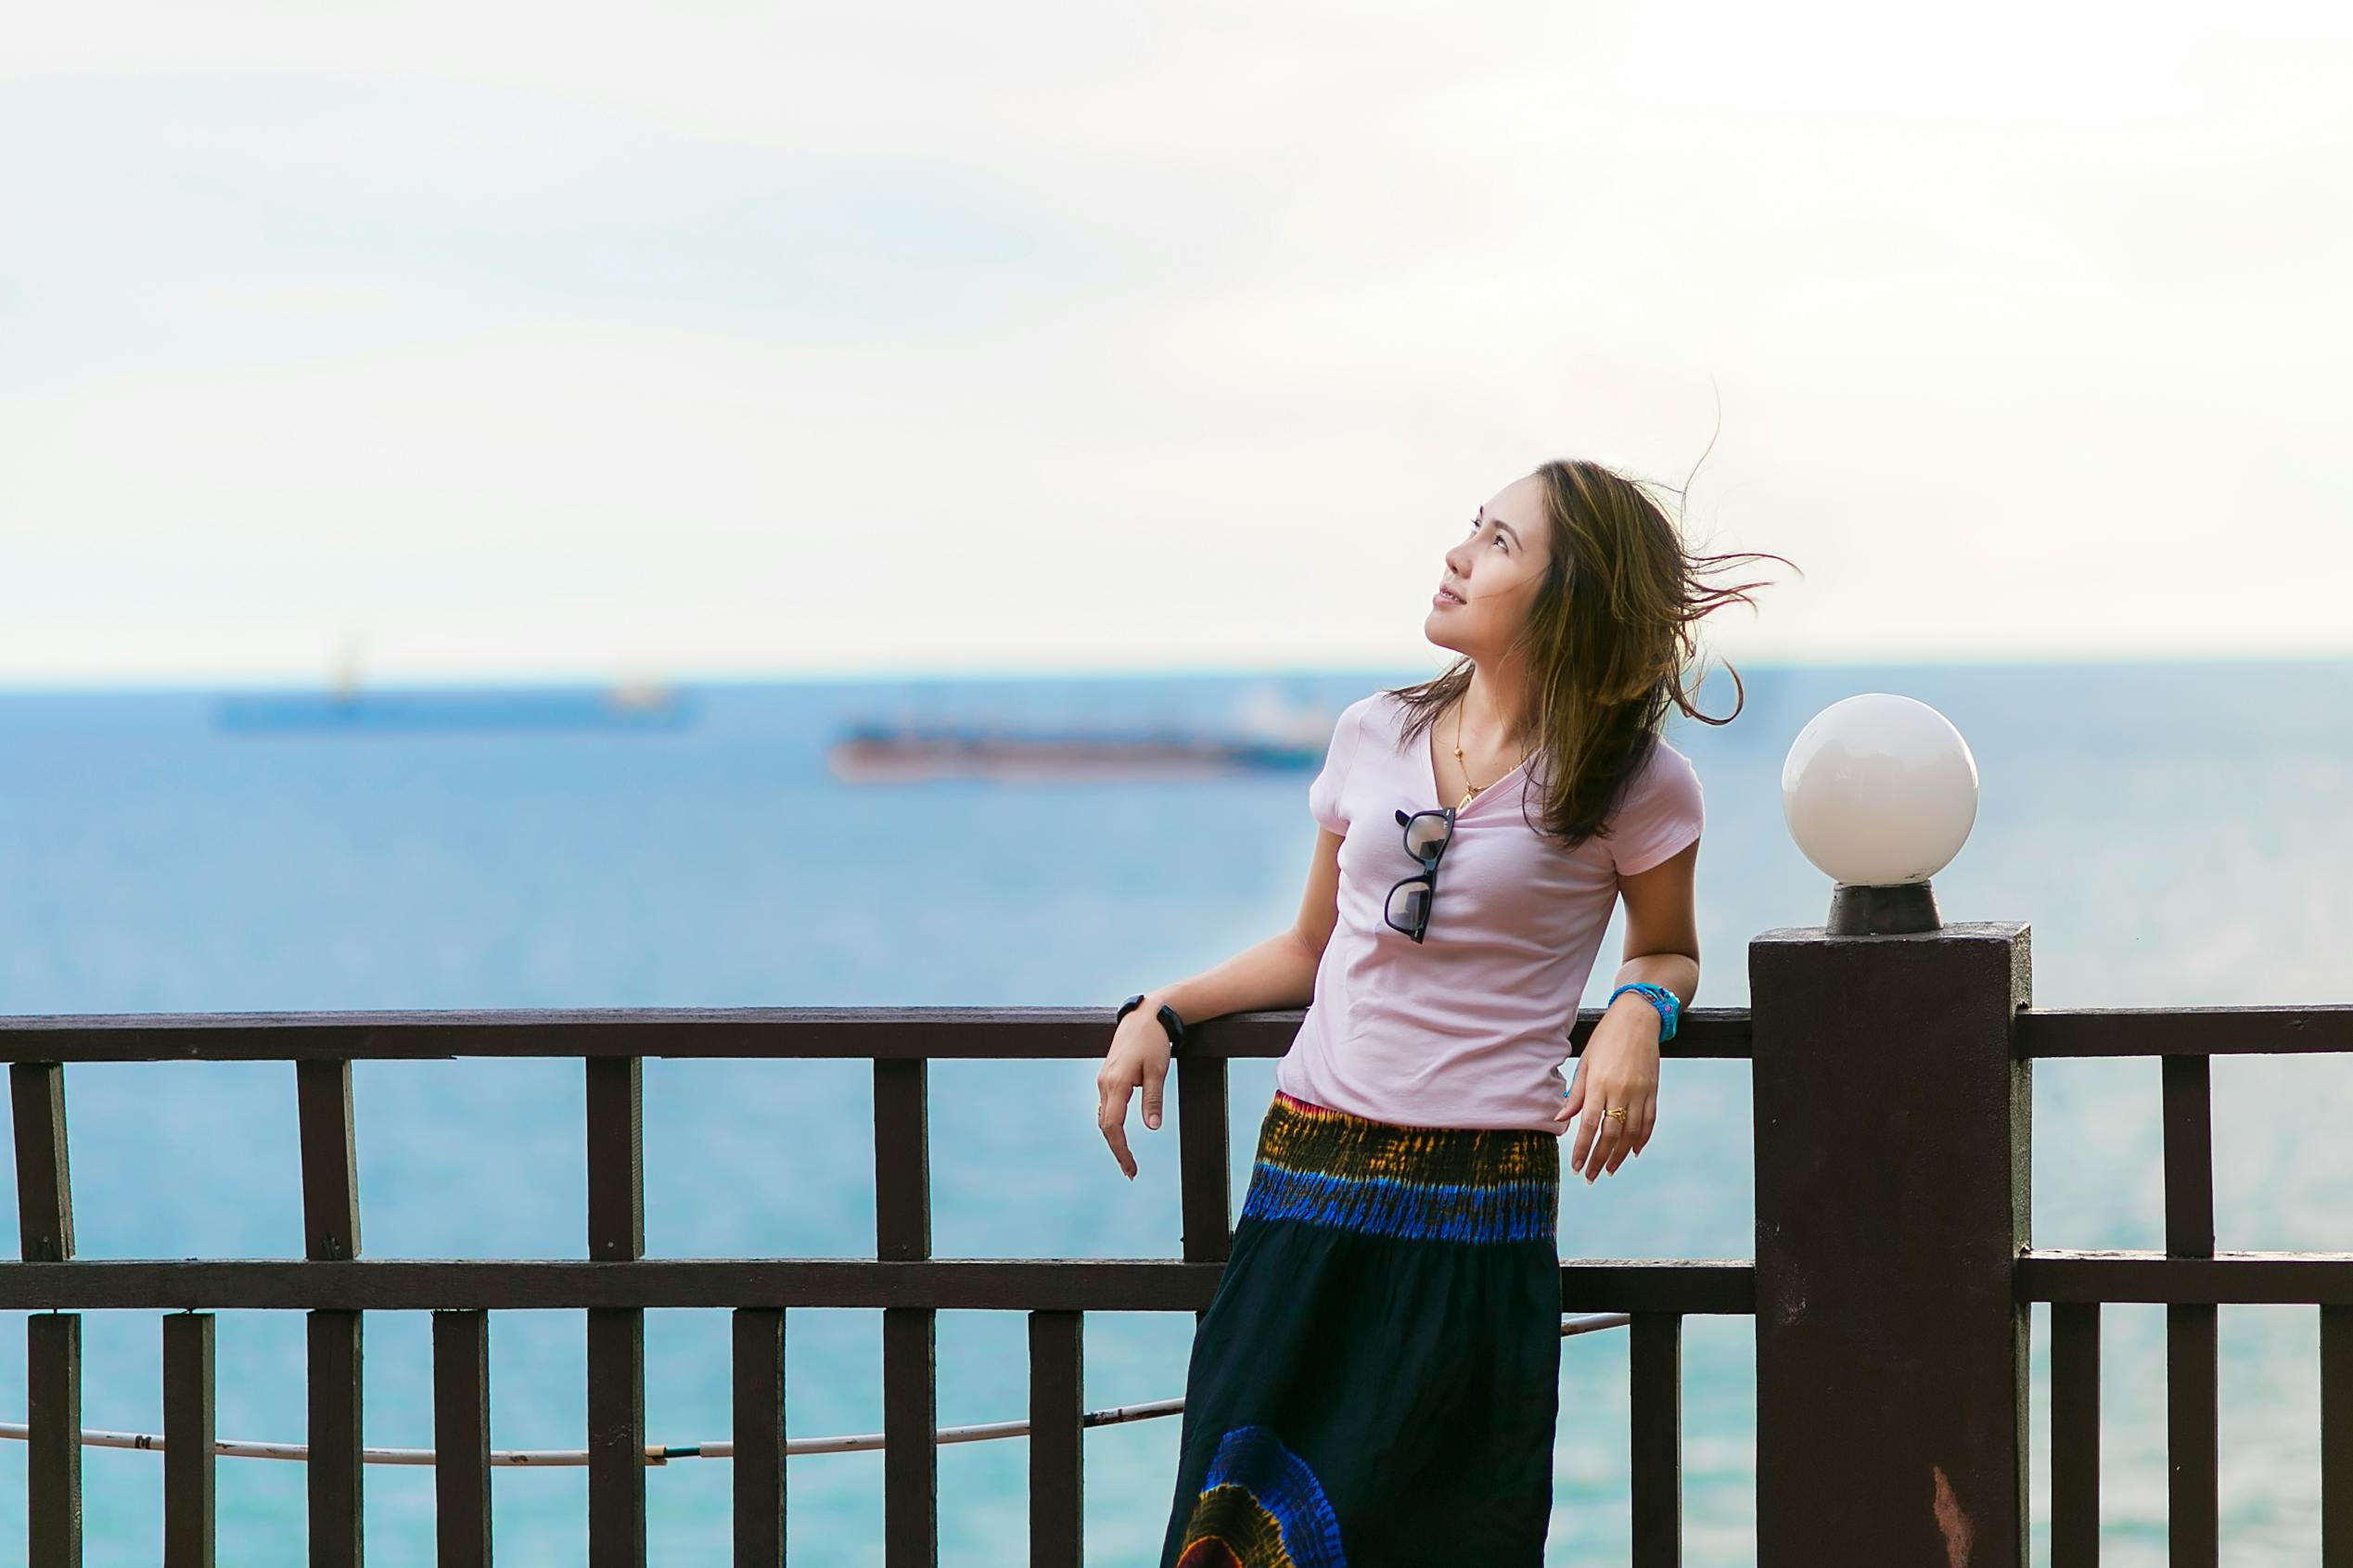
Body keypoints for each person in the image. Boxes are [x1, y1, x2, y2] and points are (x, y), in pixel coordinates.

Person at [1096, 458, 1794, 1565]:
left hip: (1471, 1212)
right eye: (1472, 528)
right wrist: (1161, 1009)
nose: (1457, 555)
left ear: (1570, 597)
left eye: (1500, 542)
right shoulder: (1369, 730)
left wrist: (1633, 1009)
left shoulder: (1636, 780)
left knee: (1440, 1531)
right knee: (1231, 1529)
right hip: (1303, 1188)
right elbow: (1308, 947)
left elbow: (1665, 945)